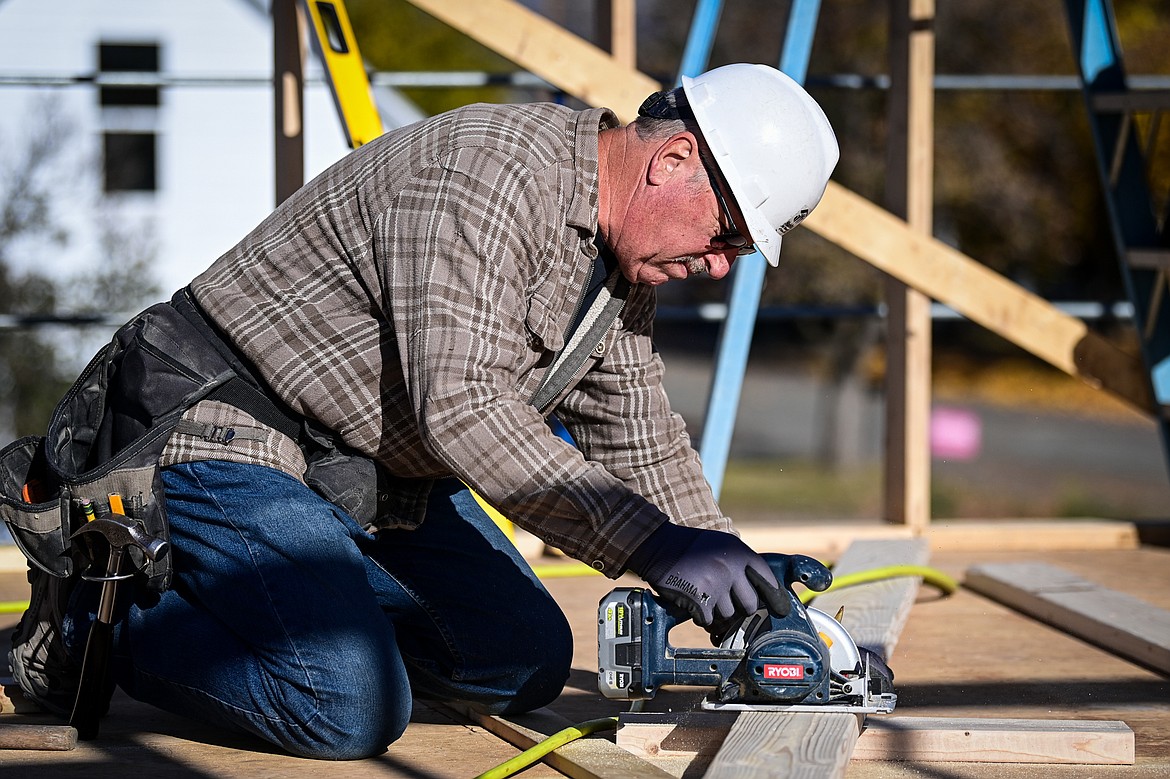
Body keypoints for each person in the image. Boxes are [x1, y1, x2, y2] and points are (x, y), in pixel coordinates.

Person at [6, 63, 838, 760]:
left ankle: (286, 607)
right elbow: (466, 409)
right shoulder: (488, 176)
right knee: (346, 703)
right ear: (675, 160)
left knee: (523, 658)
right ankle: (91, 614)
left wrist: (732, 562)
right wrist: (655, 545)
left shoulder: (619, 261)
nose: (723, 266)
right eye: (728, 234)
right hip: (224, 429)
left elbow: (633, 423)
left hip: (364, 476)